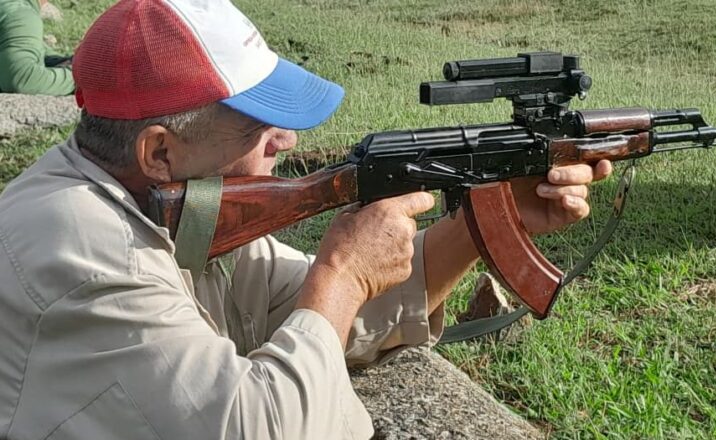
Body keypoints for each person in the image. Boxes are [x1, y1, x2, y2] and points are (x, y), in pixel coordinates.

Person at [0, 0, 612, 438]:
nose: (287, 140)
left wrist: (489, 217)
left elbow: (315, 313)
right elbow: (267, 427)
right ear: (159, 152)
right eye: (258, 126)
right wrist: (343, 274)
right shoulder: (86, 254)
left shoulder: (166, 203)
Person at [0, 0, 74, 95]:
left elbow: (38, 51)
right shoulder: (19, 13)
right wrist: (83, 77)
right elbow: (22, 78)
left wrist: (68, 62)